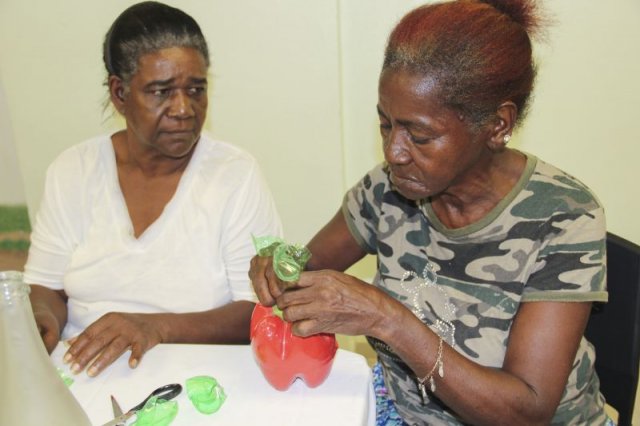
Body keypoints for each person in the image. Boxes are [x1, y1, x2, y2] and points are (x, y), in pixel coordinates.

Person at [250, 1, 611, 424]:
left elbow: (526, 412)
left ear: (497, 125)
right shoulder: (388, 189)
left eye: (419, 135)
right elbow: (304, 272)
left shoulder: (563, 218)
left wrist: (386, 319)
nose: (394, 152)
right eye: (386, 124)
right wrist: (280, 267)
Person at [24, 1, 282, 378]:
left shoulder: (234, 175)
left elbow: (257, 312)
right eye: (161, 92)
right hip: (84, 370)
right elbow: (46, 288)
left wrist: (155, 328)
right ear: (119, 93)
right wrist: (40, 322)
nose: (184, 109)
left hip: (202, 377)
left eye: (196, 89)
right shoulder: (73, 170)